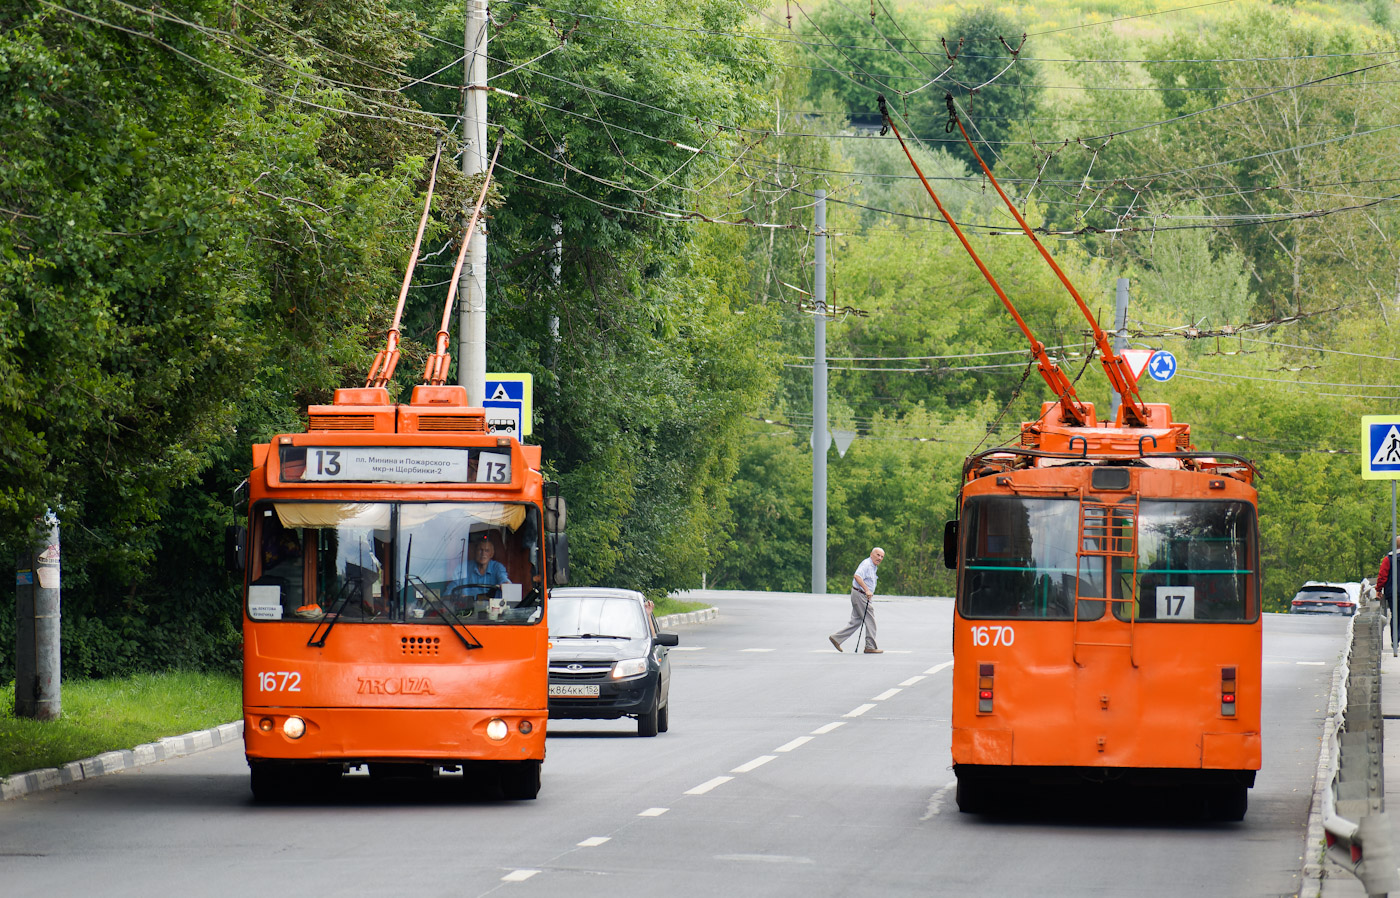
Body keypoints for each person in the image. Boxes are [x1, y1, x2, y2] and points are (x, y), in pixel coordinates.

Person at [829, 547, 886, 654]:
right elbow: (857, 576)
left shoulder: (873, 566)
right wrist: (867, 590)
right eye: (878, 555)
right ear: (871, 554)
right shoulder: (867, 565)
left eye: (882, 557)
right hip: (860, 594)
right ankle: (870, 646)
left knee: (856, 621)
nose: (880, 558)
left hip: (859, 594)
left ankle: (836, 638)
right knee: (870, 619)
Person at [448, 535, 512, 607]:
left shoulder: (497, 567)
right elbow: (450, 590)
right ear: (475, 552)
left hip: (492, 609)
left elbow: (503, 579)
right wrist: (452, 599)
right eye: (480, 550)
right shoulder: (463, 568)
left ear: (491, 554)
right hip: (467, 608)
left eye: (487, 551)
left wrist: (505, 584)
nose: (483, 554)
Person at [1377, 536, 1400, 608]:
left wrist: (1379, 589)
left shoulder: (1388, 559)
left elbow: (1382, 576)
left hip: (1393, 592)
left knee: (1395, 613)